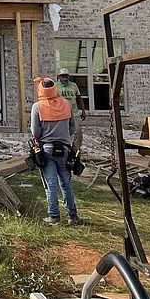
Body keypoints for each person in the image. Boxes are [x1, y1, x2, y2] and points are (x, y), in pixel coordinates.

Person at [31, 77, 80, 226]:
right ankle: (72, 216)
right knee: (66, 183)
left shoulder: (37, 107)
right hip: (65, 149)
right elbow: (73, 127)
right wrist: (63, 136)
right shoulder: (66, 104)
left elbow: (35, 132)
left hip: (47, 150)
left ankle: (54, 216)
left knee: (50, 183)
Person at [56, 68, 86, 151]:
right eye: (63, 76)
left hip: (74, 112)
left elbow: (79, 98)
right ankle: (64, 149)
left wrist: (83, 111)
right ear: (59, 77)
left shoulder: (73, 85)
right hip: (61, 113)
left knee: (78, 131)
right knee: (63, 132)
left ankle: (75, 150)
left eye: (66, 76)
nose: (65, 78)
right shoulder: (56, 86)